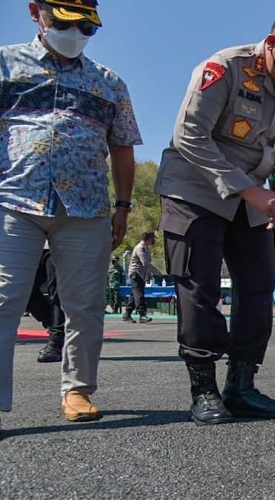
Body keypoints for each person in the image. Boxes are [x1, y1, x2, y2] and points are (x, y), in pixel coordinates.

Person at [154, 2, 275, 425]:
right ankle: (204, 389)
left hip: (254, 203)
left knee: (257, 288)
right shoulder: (225, 67)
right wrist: (248, 189)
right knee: (200, 288)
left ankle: (242, 386)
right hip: (196, 189)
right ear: (274, 42)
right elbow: (189, 136)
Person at [0, 0, 140, 425]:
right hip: (15, 200)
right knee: (3, 300)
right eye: (65, 23)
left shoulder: (109, 82)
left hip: (87, 207)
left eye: (86, 27)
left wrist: (123, 207)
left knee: (84, 305)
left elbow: (123, 147)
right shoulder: (5, 64)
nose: (75, 33)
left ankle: (78, 390)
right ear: (35, 12)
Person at [25, 246, 66, 363]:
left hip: (57, 243)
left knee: (56, 292)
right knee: (24, 290)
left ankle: (56, 341)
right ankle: (54, 325)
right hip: (29, 242)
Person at [122, 231, 161, 323]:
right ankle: (142, 314)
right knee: (139, 294)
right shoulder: (140, 248)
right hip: (135, 274)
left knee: (134, 294)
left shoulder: (146, 248)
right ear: (148, 239)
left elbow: (146, 264)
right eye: (152, 239)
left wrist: (148, 275)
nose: (153, 241)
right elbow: (145, 262)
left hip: (141, 274)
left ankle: (127, 314)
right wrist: (156, 271)